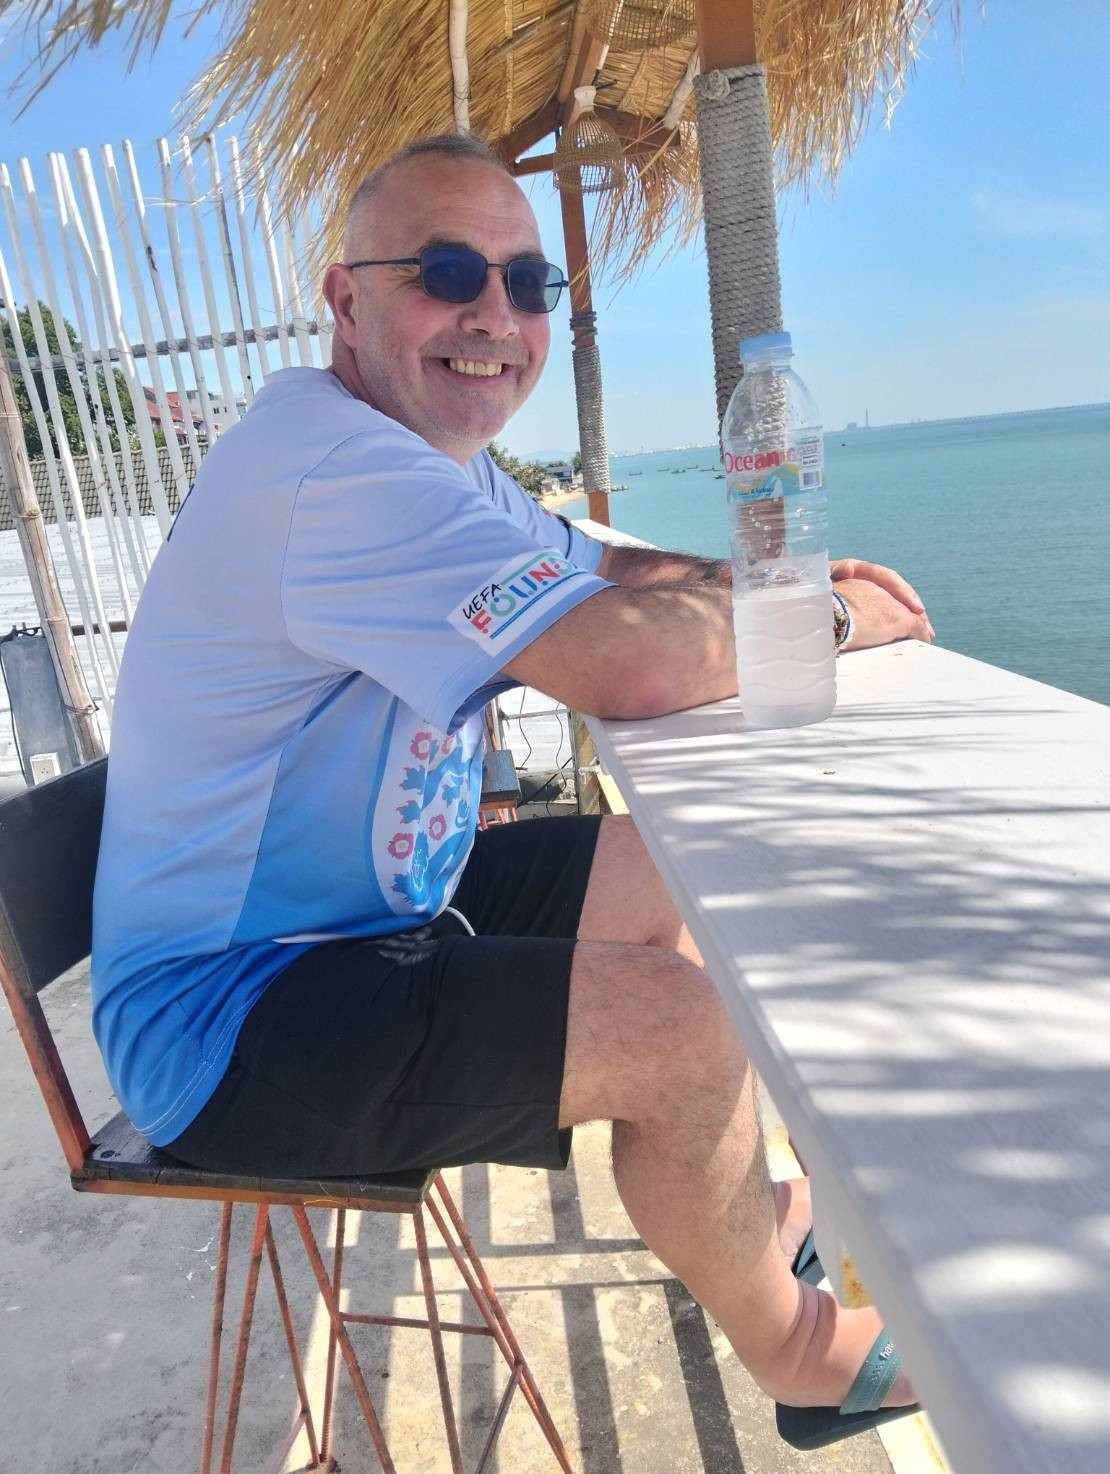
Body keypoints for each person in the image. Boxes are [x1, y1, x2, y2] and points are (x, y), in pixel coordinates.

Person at [91, 132, 933, 1432]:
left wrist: (761, 581)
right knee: (680, 1031)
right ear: (346, 300)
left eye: (527, 283)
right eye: (446, 272)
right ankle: (801, 1358)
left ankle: (744, 1210)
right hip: (228, 1020)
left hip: (365, 919)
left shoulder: (432, 460)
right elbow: (622, 664)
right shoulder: (336, 473)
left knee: (669, 869)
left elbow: (605, 572)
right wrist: (822, 619)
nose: (494, 313)